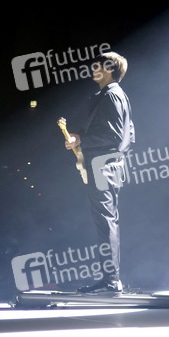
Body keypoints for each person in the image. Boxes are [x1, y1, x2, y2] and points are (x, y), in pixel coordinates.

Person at [64, 52, 134, 294]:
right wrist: (80, 139)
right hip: (108, 164)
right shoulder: (115, 95)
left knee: (105, 221)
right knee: (107, 220)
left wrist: (82, 141)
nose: (93, 69)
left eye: (98, 66)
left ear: (110, 69)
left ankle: (111, 280)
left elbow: (113, 136)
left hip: (104, 165)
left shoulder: (112, 95)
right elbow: (128, 133)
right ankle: (110, 279)